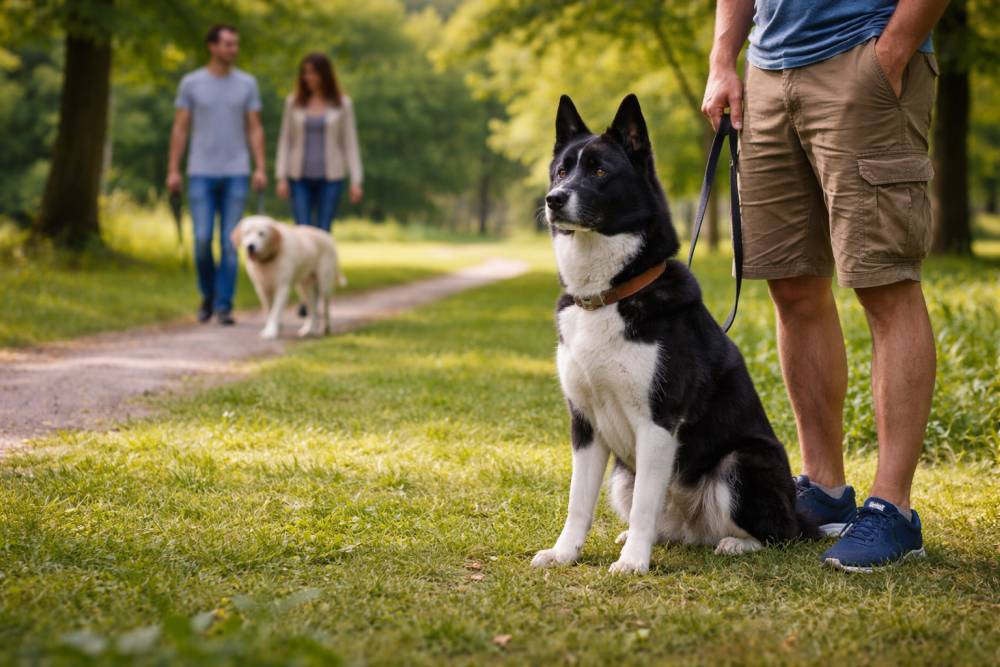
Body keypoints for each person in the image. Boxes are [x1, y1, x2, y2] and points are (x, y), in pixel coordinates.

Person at [702, 0, 949, 571]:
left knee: (885, 283)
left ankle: (893, 509)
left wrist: (892, 52)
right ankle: (825, 487)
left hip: (863, 55)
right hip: (767, 73)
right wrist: (723, 60)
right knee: (791, 285)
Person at [167, 24, 267, 325]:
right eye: (227, 44)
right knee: (201, 239)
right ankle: (208, 294)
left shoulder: (247, 84)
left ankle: (224, 305)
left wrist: (260, 167)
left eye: (235, 44)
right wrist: (173, 169)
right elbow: (180, 128)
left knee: (230, 242)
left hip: (237, 170)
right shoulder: (191, 83)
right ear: (212, 46)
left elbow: (255, 128)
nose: (233, 49)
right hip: (200, 170)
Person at [275, 52, 363, 233]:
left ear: (324, 74)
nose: (308, 77)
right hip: (299, 177)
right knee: (302, 230)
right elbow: (285, 141)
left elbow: (350, 143)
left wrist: (356, 180)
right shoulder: (293, 103)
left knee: (324, 231)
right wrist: (281, 176)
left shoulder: (342, 104)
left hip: (331, 177)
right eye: (305, 72)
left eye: (313, 72)